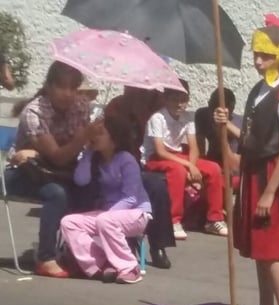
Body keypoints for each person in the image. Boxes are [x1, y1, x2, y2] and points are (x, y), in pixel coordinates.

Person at [215, 14, 279, 305]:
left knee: (271, 250)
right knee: (257, 250)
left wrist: (269, 192)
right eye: (255, 54)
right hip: (255, 172)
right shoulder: (258, 90)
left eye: (265, 55)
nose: (257, 60)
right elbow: (255, 138)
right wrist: (228, 126)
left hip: (272, 177)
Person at [6, 61, 94, 278]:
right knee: (57, 193)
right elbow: (57, 156)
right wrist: (82, 137)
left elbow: (75, 155)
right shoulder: (34, 112)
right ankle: (45, 257)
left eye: (73, 88)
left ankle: (77, 251)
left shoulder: (81, 106)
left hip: (60, 171)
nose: (68, 93)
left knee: (91, 188)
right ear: (49, 86)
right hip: (27, 172)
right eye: (61, 87)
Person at [60, 116, 151, 284]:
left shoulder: (126, 160)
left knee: (104, 220)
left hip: (136, 214)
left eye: (100, 133)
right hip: (107, 216)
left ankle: (129, 268)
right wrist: (87, 152)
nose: (94, 136)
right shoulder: (97, 159)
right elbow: (81, 180)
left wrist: (106, 215)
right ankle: (98, 264)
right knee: (69, 222)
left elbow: (131, 198)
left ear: (114, 139)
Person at [143, 79, 228, 239]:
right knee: (178, 171)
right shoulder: (158, 118)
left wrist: (193, 165)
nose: (180, 104)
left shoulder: (188, 117)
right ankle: (174, 220)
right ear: (166, 99)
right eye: (175, 99)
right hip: (156, 158)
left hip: (178, 156)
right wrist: (187, 165)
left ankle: (214, 218)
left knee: (214, 168)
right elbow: (160, 151)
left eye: (184, 100)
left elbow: (194, 146)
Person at [104, 87, 176, 270]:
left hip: (139, 165)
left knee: (157, 186)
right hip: (114, 166)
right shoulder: (116, 106)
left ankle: (158, 246)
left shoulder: (157, 105)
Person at [195, 87, 242, 167]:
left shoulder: (239, 123)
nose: (215, 114)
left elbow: (234, 164)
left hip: (231, 163)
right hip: (212, 161)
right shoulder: (202, 115)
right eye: (212, 106)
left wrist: (224, 125)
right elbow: (200, 147)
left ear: (231, 109)